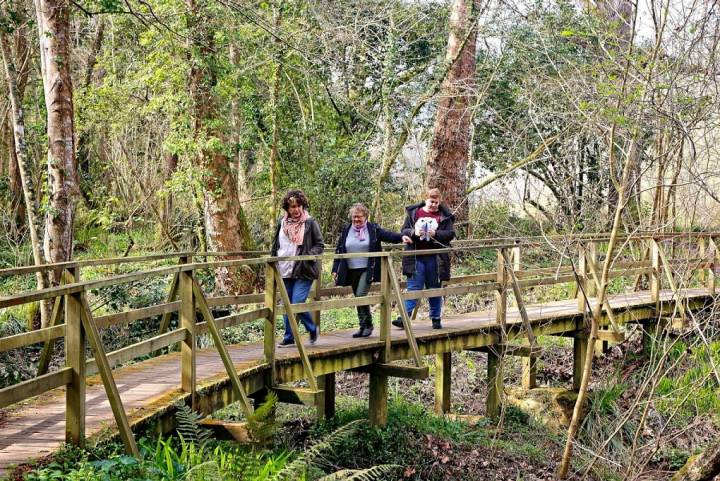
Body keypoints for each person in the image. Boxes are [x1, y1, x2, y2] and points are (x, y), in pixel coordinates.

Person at [331, 203, 411, 338]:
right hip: (350, 269)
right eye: (354, 217)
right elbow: (339, 249)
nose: (356, 220)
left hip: (367, 269)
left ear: (366, 217)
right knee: (358, 297)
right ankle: (362, 326)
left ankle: (368, 325)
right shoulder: (346, 229)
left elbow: (388, 235)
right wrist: (335, 268)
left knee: (361, 294)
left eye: (359, 217)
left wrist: (401, 236)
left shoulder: (372, 229)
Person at [393, 188, 456, 330]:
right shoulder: (414, 213)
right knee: (413, 287)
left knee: (434, 288)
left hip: (436, 258)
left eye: (436, 202)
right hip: (415, 257)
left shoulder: (444, 216)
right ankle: (403, 318)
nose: (434, 205)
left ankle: (435, 318)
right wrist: (413, 232)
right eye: (431, 201)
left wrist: (436, 233)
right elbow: (404, 230)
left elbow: (450, 234)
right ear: (425, 200)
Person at [270, 190, 324, 347]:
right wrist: (272, 260)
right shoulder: (282, 222)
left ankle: (312, 328)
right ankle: (289, 337)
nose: (296, 209)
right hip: (284, 268)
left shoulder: (310, 222)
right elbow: (276, 245)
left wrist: (309, 256)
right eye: (292, 206)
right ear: (287, 207)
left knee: (297, 302)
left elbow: (319, 244)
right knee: (287, 304)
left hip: (303, 269)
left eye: (299, 205)